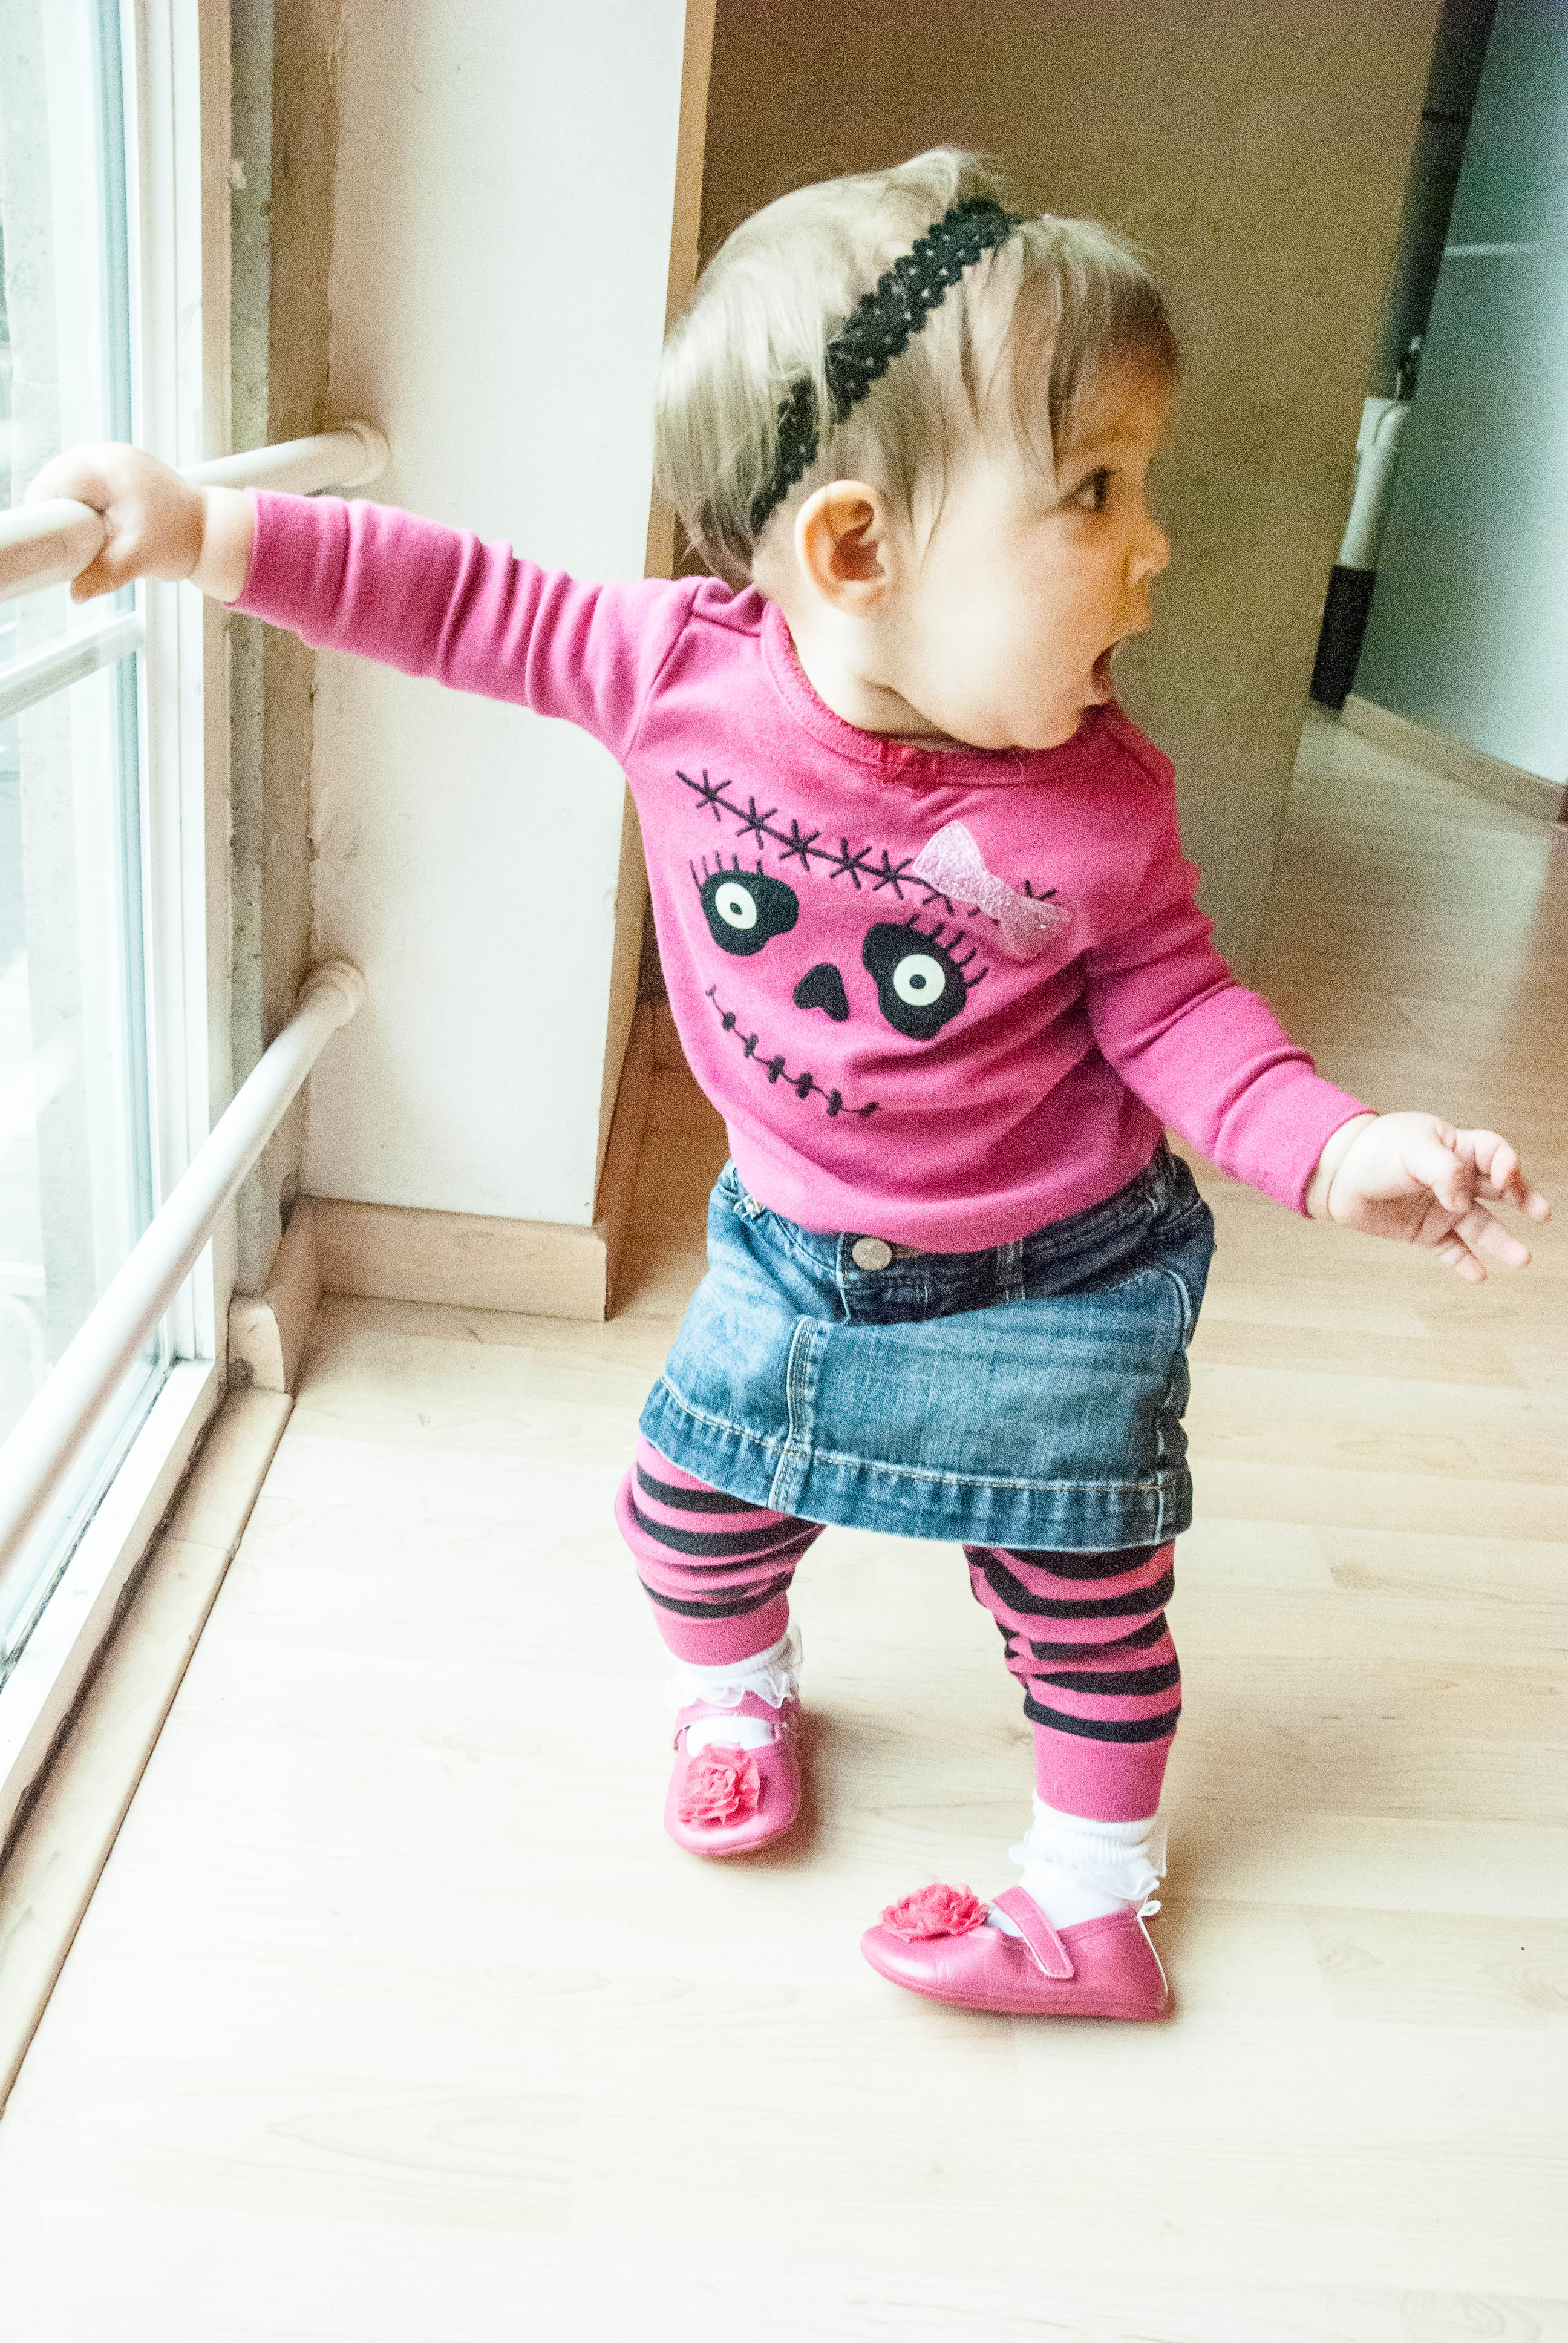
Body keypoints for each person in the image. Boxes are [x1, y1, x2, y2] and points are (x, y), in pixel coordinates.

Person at [33, 149, 1549, 2022]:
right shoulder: (672, 674)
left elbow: (1182, 1012)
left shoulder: (1101, 806)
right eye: (1095, 491)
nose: (1154, 545)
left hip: (1052, 1282)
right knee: (690, 1517)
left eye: (1139, 485)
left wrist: (1336, 1145)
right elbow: (449, 597)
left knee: (1085, 1603)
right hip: (791, 1254)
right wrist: (198, 530)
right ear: (851, 552)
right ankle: (736, 1696)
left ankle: (1092, 1911)